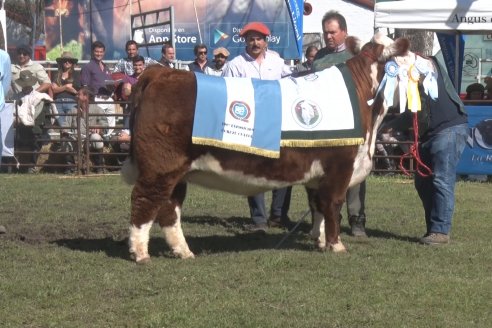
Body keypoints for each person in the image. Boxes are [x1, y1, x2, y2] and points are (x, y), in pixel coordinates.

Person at [382, 56, 468, 245]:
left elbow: (427, 64)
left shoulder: (426, 66)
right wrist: (388, 125)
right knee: (423, 182)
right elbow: (414, 110)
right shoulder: (413, 85)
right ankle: (433, 228)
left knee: (441, 180)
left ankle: (440, 231)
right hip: (430, 134)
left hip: (448, 128)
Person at [222, 21, 293, 232]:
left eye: (259, 38)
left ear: (266, 41)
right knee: (254, 170)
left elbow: (290, 85)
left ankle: (279, 215)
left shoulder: (278, 62)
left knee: (284, 167)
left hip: (277, 120)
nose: (255, 43)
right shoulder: (235, 64)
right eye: (251, 39)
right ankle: (259, 220)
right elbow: (226, 93)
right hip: (249, 123)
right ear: (244, 41)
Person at [311, 11, 367, 237]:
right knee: (325, 173)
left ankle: (357, 219)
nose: (328, 36)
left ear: (344, 31)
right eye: (325, 32)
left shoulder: (357, 55)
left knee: (352, 171)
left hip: (350, 120)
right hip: (324, 122)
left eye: (333, 32)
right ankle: (330, 216)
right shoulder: (320, 57)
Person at [61, 86, 108, 174]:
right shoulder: (72, 110)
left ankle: (99, 166)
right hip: (76, 138)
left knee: (96, 138)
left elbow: (105, 125)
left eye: (79, 94)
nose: (76, 96)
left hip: (90, 138)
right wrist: (65, 131)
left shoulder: (97, 109)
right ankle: (70, 167)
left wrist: (99, 127)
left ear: (86, 96)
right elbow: (65, 125)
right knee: (65, 140)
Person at [80, 41, 115, 137]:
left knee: (111, 120)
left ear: (104, 52)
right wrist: (90, 101)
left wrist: (113, 86)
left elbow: (110, 83)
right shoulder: (87, 67)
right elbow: (85, 86)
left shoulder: (106, 67)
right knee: (101, 120)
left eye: (101, 51)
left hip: (108, 98)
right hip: (96, 98)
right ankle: (100, 138)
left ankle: (108, 138)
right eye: (96, 51)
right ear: (92, 52)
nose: (99, 54)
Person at [51, 51, 80, 126]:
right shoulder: (56, 74)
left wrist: (59, 88)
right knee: (63, 127)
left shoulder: (76, 74)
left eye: (69, 61)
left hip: (71, 102)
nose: (67, 62)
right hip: (58, 103)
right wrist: (66, 87)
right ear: (61, 62)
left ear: (72, 63)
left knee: (73, 125)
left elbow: (76, 90)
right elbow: (54, 89)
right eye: (65, 60)